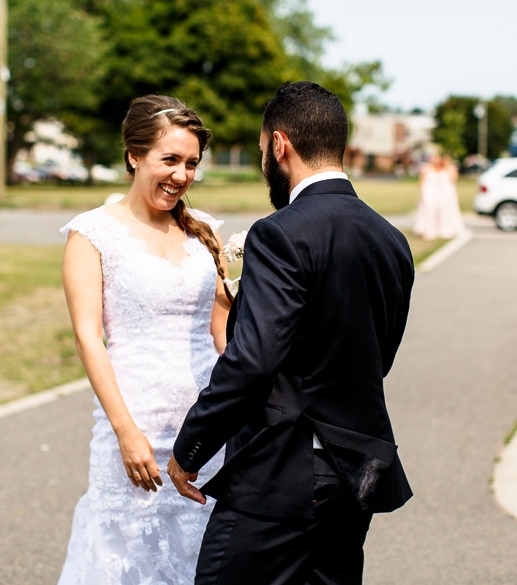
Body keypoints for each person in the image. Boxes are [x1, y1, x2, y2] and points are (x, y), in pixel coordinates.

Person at [167, 82, 415, 584]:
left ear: (280, 145)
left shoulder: (279, 233)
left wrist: (188, 449)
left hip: (285, 475)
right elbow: (377, 357)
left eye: (262, 152)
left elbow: (252, 360)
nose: (264, 164)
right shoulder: (392, 239)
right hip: (358, 473)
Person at [58, 95, 232, 584]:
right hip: (135, 427)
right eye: (170, 159)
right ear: (135, 155)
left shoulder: (206, 233)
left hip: (205, 426)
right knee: (128, 557)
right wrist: (125, 431)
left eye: (192, 163)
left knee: (203, 558)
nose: (181, 175)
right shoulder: (91, 234)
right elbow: (89, 338)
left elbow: (224, 335)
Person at [412, 151, 465, 240]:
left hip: (444, 193)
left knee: (444, 211)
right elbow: (421, 181)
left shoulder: (447, 168)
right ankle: (427, 230)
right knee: (428, 210)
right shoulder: (427, 168)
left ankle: (440, 229)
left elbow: (453, 179)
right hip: (429, 191)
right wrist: (421, 193)